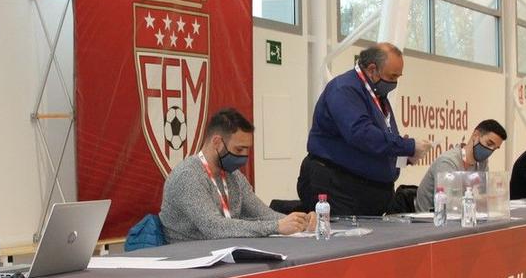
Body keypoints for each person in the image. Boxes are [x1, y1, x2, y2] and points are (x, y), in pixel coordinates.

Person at [297, 43, 432, 216]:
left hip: (368, 193)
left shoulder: (377, 95)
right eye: (392, 76)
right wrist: (408, 146)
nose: (394, 83)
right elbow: (361, 134)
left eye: (398, 77)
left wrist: (403, 156)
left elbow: (380, 140)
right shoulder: (344, 89)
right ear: (372, 70)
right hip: (339, 188)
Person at [160, 108, 314, 242]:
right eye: (239, 149)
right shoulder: (187, 176)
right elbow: (214, 227)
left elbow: (262, 213)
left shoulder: (234, 175)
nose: (244, 156)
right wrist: (276, 226)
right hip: (190, 256)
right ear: (217, 142)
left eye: (247, 149)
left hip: (224, 250)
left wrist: (299, 221)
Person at [415, 119, 507, 212]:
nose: (490, 150)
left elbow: (483, 194)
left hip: (464, 216)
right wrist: (481, 201)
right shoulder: (448, 162)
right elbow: (448, 203)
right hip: (432, 217)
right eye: (489, 144)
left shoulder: (482, 163)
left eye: (495, 148)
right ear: (476, 135)